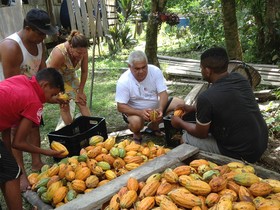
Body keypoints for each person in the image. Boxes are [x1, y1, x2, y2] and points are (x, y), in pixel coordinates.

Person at [171, 47, 268, 163]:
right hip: (260, 143)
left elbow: (201, 133)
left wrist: (180, 122)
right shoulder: (240, 79)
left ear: (207, 71)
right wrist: (193, 108)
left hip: (241, 153)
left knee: (186, 137)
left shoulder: (206, 97)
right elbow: (226, 104)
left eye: (201, 68)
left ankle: (197, 166)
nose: (201, 70)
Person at [0, 8, 57, 191]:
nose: (43, 38)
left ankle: (36, 163)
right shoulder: (11, 46)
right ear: (28, 28)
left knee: (34, 125)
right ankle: (20, 173)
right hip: (13, 100)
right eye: (40, 33)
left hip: (33, 93)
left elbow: (42, 70)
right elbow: (12, 85)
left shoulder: (38, 43)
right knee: (17, 132)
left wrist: (50, 97)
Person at [0, 68, 66, 210]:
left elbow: (6, 121)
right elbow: (18, 142)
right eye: (53, 93)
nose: (53, 97)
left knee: (7, 167)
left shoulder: (21, 80)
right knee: (13, 174)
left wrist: (8, 155)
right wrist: (47, 152)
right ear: (44, 85)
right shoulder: (34, 102)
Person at [115, 50, 185, 143]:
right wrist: (140, 112)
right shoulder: (124, 80)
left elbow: (163, 93)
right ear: (129, 66)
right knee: (136, 123)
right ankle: (136, 132)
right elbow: (120, 106)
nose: (141, 71)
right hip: (135, 111)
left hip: (155, 108)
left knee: (180, 104)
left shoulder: (155, 71)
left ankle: (154, 125)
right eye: (137, 68)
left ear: (147, 64)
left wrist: (160, 109)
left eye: (144, 67)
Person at [47, 30, 91, 126]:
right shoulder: (60, 54)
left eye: (83, 53)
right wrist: (59, 93)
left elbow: (84, 71)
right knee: (64, 104)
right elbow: (50, 75)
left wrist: (80, 91)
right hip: (54, 77)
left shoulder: (83, 51)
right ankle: (71, 129)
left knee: (81, 101)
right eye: (78, 53)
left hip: (69, 75)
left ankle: (92, 128)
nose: (81, 56)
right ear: (71, 47)